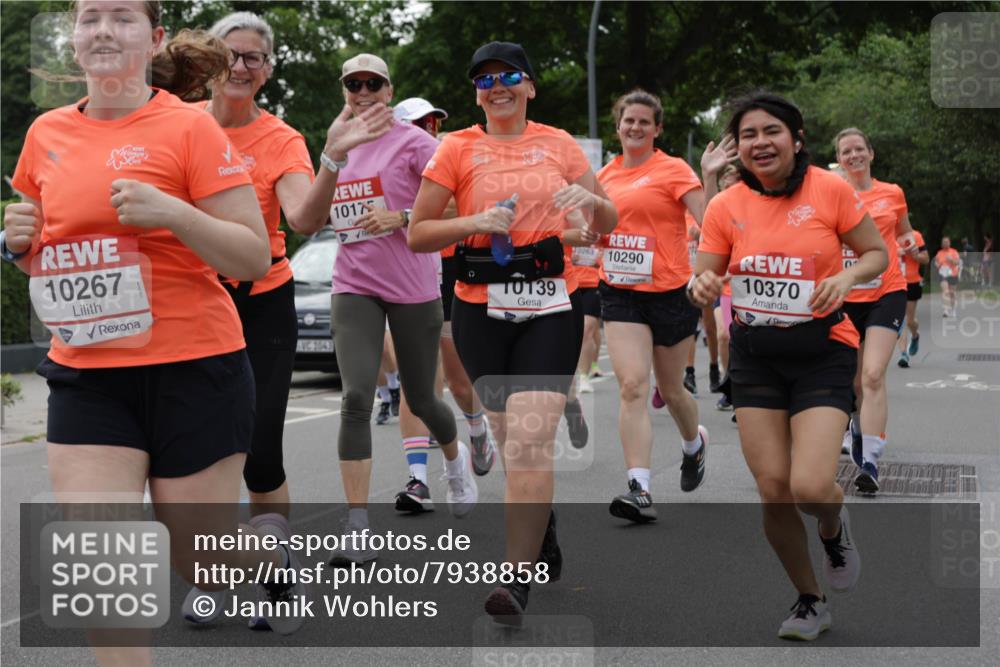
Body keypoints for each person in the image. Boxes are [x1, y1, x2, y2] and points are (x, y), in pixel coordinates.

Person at [1, 2, 309, 661]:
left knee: (206, 561)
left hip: (194, 367)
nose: (103, 29)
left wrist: (171, 211)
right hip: (88, 373)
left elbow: (252, 256)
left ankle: (272, 554)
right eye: (89, 18)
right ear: (74, 39)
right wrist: (15, 243)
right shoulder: (45, 134)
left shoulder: (190, 130)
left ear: (155, 38)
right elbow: (43, 252)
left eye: (122, 17)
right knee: (99, 561)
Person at [408, 41, 617, 624]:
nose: (496, 86)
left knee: (528, 445)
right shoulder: (456, 147)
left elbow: (609, 218)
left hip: (552, 306)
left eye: (508, 76)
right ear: (476, 93)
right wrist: (472, 221)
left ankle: (515, 580)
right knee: (511, 450)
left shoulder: (558, 142)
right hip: (480, 310)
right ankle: (542, 531)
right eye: (483, 80)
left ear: (529, 86)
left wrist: (591, 202)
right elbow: (419, 233)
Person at [690, 92, 886, 641]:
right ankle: (809, 599)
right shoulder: (727, 205)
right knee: (773, 486)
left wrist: (847, 278)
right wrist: (701, 283)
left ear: (796, 140)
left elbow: (875, 254)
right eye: (748, 135)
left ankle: (831, 524)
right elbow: (704, 274)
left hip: (824, 350)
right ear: (739, 149)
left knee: (808, 485)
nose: (759, 143)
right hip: (755, 355)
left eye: (771, 131)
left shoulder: (830, 189)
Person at [297, 54, 476, 563]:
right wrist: (331, 155)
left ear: (389, 89)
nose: (363, 90)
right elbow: (310, 217)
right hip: (353, 285)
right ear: (345, 91)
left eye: (372, 82)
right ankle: (357, 526)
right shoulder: (338, 143)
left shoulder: (417, 142)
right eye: (353, 83)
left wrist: (401, 216)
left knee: (422, 399)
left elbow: (466, 205)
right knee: (356, 395)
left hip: (414, 286)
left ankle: (454, 459)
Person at [597, 90, 730, 523]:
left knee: (672, 390)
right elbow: (597, 231)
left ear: (657, 129)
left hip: (670, 293)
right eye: (627, 121)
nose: (634, 127)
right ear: (617, 127)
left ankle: (694, 443)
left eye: (643, 122)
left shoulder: (673, 169)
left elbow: (712, 223)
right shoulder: (605, 176)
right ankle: (640, 487)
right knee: (633, 385)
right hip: (619, 293)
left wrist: (709, 177)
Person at [389, 97, 498, 513]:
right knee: (416, 382)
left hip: (450, 274)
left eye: (434, 121)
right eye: (420, 123)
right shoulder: (388, 162)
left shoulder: (451, 157)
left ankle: (476, 426)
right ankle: (418, 479)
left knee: (456, 377)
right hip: (404, 276)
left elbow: (460, 204)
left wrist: (401, 216)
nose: (430, 129)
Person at [834, 127, 917, 493]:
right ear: (839, 160)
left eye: (859, 149)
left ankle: (869, 462)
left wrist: (907, 241)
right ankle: (857, 424)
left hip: (888, 291)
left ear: (871, 153)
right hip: (846, 296)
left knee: (872, 375)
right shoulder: (832, 195)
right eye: (846, 151)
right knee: (853, 383)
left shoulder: (892, 193)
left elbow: (904, 231)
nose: (853, 156)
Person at [897, 227, 930, 367]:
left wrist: (914, 254)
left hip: (912, 282)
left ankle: (915, 336)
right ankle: (903, 354)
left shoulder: (915, 235)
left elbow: (926, 259)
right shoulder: (887, 233)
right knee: (901, 320)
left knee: (910, 320)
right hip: (894, 282)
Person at [936, 236, 961, 317]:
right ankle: (946, 310)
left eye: (947, 242)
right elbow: (936, 263)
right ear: (941, 243)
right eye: (944, 242)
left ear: (949, 243)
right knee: (945, 291)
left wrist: (951, 260)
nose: (945, 243)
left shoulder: (954, 252)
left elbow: (957, 263)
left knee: (952, 293)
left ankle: (953, 309)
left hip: (953, 274)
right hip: (943, 274)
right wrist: (938, 265)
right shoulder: (939, 253)